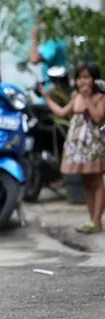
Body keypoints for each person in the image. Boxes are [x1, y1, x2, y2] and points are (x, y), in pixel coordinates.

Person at [41, 63, 105, 233]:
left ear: (94, 79)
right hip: (77, 145)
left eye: (87, 77)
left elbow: (98, 117)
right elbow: (62, 113)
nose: (83, 81)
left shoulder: (100, 98)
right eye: (79, 78)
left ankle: (97, 220)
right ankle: (92, 220)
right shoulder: (75, 96)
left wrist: (87, 99)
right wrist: (46, 97)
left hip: (94, 145)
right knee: (86, 182)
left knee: (97, 181)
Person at [29, 9, 68, 86]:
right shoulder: (58, 39)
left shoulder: (53, 42)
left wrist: (34, 38)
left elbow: (34, 59)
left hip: (51, 89)